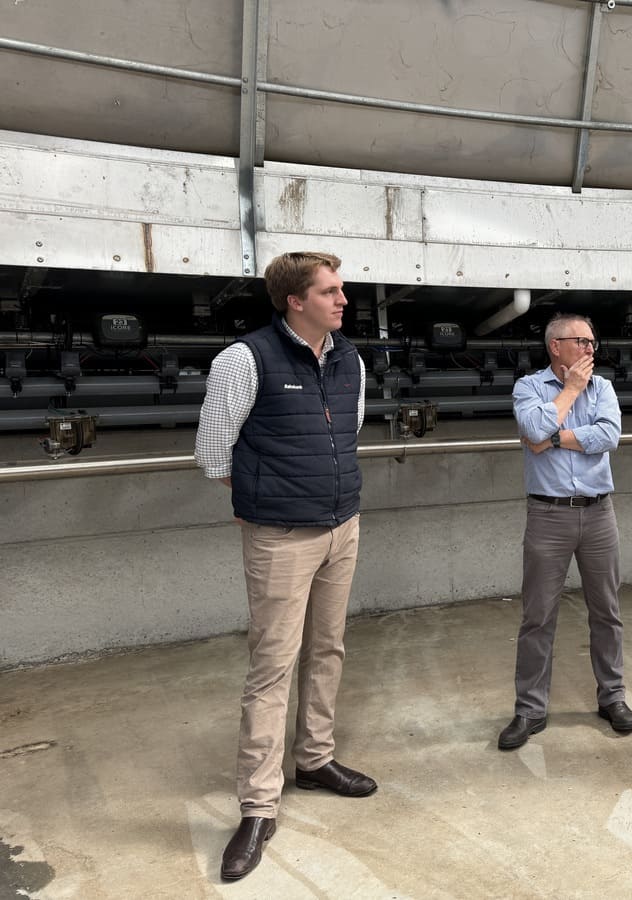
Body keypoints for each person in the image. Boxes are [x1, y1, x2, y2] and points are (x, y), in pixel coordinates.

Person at [195, 251, 376, 882]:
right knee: (272, 666)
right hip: (281, 538)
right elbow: (214, 450)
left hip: (341, 527)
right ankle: (257, 806)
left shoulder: (349, 358)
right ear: (294, 301)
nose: (343, 300)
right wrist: (261, 501)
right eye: (330, 291)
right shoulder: (244, 359)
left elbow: (347, 431)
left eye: (342, 290)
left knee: (328, 649)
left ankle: (316, 759)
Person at [498, 312, 632, 750]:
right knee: (537, 615)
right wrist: (571, 392)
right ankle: (530, 708)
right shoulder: (528, 387)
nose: (590, 350)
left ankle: (612, 696)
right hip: (548, 515)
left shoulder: (606, 388)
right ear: (555, 346)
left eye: (593, 342)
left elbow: (609, 435)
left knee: (607, 611)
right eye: (582, 341)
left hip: (599, 513)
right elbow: (533, 427)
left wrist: (555, 439)